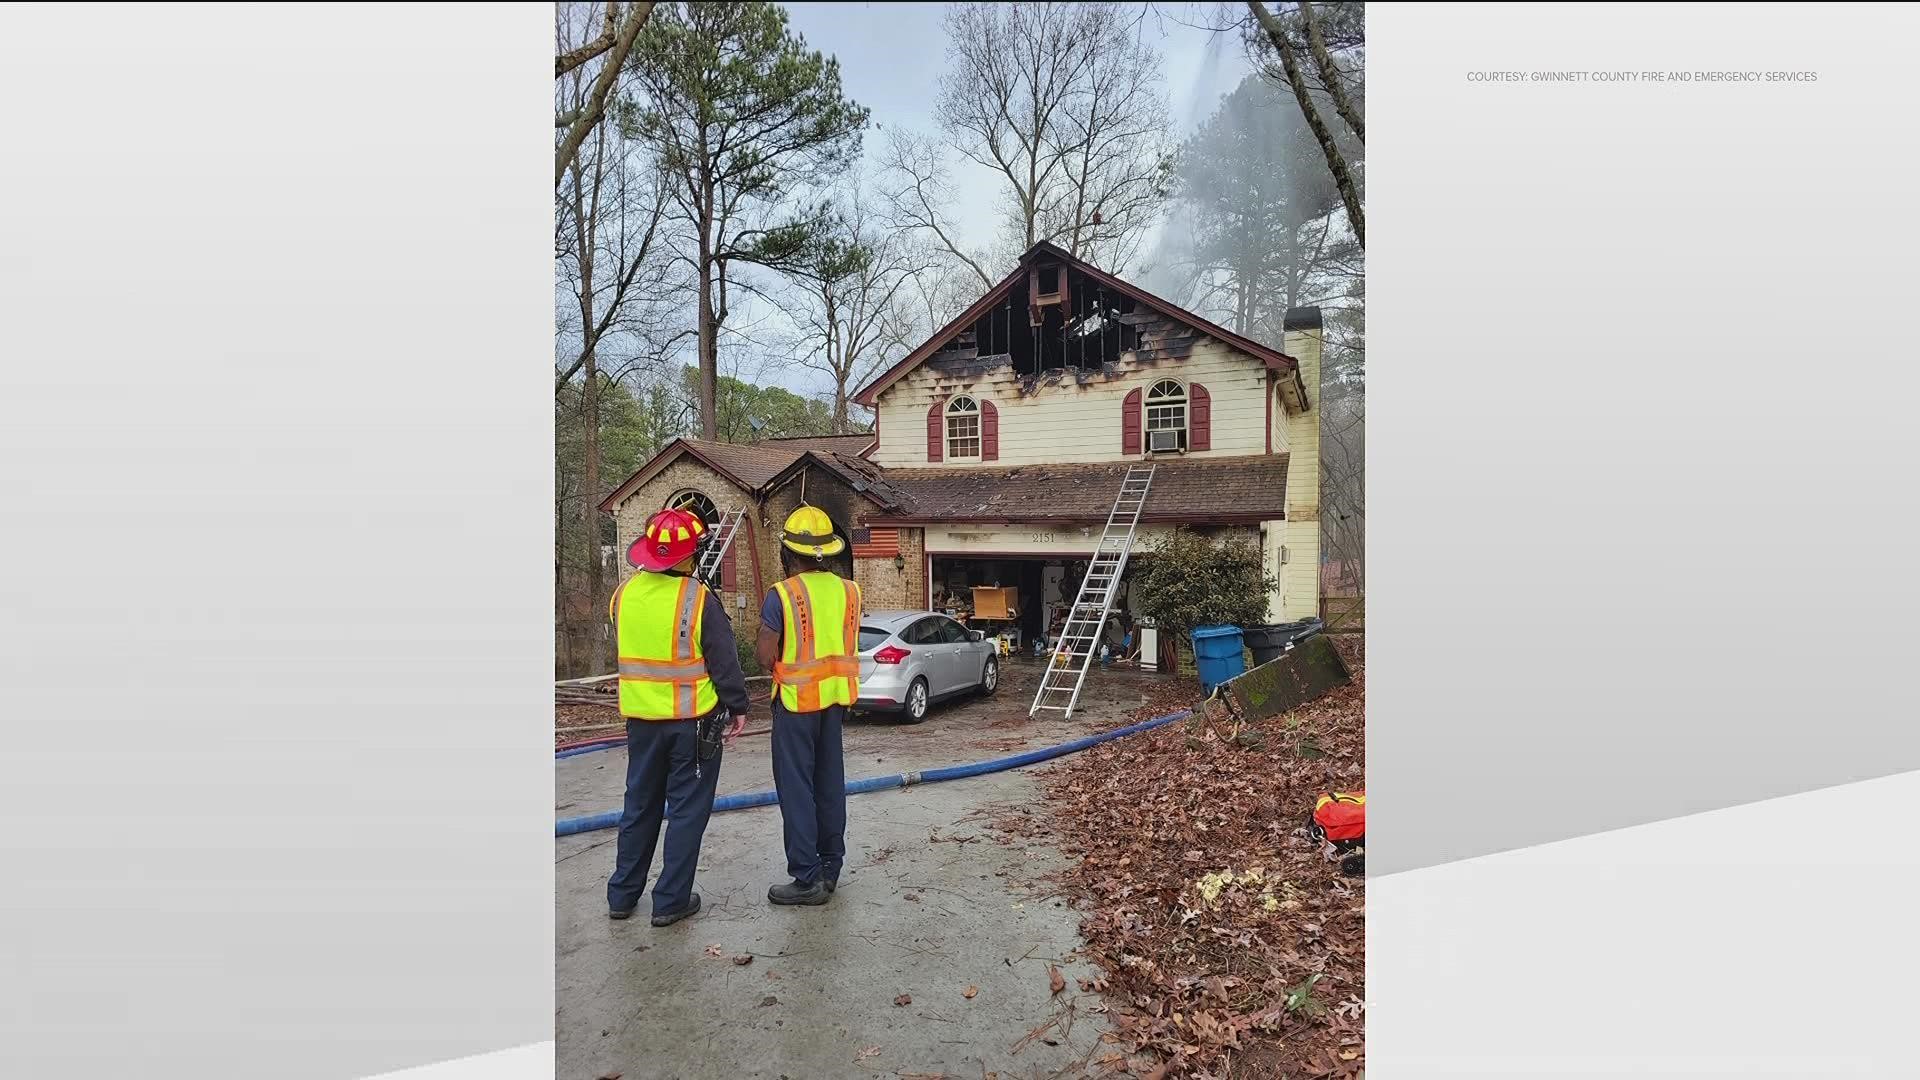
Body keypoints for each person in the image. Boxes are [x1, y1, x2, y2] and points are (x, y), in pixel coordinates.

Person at [605, 506, 751, 926]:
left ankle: (622, 895)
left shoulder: (624, 596)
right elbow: (724, 662)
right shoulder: (698, 599)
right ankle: (669, 901)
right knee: (687, 810)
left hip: (640, 723)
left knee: (639, 806)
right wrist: (738, 706)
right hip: (691, 725)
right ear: (688, 557)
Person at [755, 505, 862, 906]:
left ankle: (806, 876)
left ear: (788, 553)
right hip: (835, 702)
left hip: (796, 703)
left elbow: (766, 656)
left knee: (797, 789)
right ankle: (831, 866)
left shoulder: (782, 594)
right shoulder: (850, 590)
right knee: (829, 783)